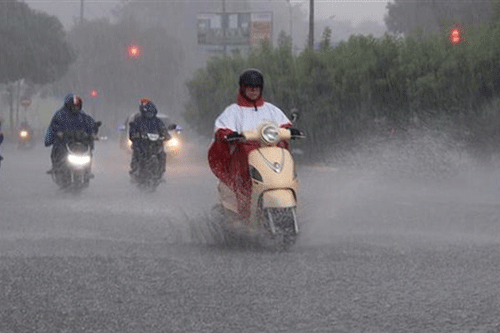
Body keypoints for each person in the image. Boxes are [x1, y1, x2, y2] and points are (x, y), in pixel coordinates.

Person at [208, 68, 303, 219]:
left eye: (256, 88)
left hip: (270, 154)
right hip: (244, 157)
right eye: (250, 88)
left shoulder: (271, 110)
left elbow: (284, 124)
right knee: (244, 179)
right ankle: (245, 212)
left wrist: (291, 130)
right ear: (243, 89)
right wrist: (227, 134)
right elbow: (221, 129)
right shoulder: (233, 111)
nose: (253, 91)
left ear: (261, 89)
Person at [44, 93, 98, 173]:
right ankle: (56, 167)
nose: (75, 108)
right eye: (73, 106)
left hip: (79, 142)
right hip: (65, 142)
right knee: (58, 149)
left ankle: (87, 169)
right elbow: (54, 125)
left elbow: (90, 124)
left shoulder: (83, 116)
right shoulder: (60, 115)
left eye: (77, 106)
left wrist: (93, 133)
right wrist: (59, 133)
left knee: (88, 151)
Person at [129, 98, 169, 177]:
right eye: (148, 111)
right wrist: (135, 135)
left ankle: (161, 170)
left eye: (151, 111)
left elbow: (162, 128)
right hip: (142, 143)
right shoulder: (138, 120)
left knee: (162, 153)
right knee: (137, 152)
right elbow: (133, 130)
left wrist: (165, 134)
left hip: (155, 143)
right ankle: (136, 169)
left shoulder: (157, 121)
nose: (149, 114)